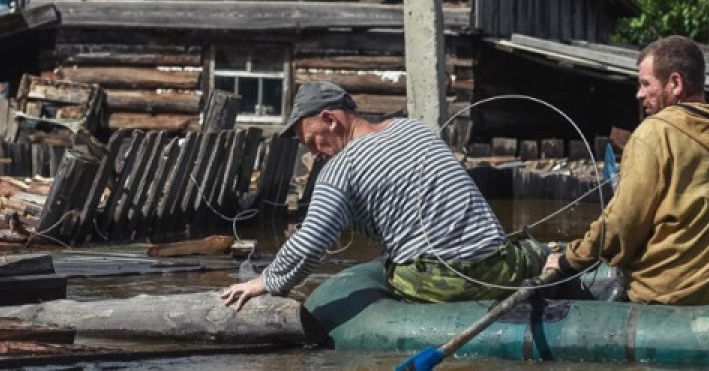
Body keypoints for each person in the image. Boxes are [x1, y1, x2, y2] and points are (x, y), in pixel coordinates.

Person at [221, 81, 546, 309]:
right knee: (536, 249)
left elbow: (311, 241)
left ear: (329, 119)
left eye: (311, 141)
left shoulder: (339, 170)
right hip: (502, 267)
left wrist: (265, 281)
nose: (313, 153)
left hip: (440, 283)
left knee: (392, 268)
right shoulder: (413, 128)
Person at [545, 35, 709, 305]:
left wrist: (566, 261)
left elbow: (622, 225)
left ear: (675, 83)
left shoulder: (654, 133)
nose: (639, 94)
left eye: (646, 84)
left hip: (675, 293)